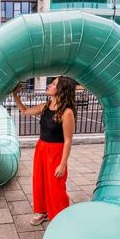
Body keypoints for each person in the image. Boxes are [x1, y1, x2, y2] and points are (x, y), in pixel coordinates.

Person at [12, 77, 77, 225]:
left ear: (61, 90)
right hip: (41, 148)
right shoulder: (45, 106)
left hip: (56, 151)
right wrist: (16, 96)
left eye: (53, 84)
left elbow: (68, 141)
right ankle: (42, 212)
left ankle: (59, 217)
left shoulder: (67, 113)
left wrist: (63, 164)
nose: (49, 85)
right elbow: (25, 111)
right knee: (39, 182)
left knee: (56, 186)